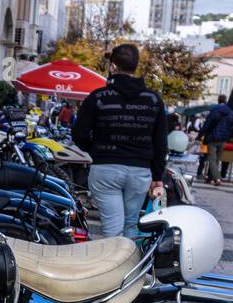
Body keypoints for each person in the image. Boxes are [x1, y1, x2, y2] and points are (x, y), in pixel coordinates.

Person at [70, 42, 168, 239]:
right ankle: (130, 267)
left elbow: (78, 134)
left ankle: (113, 267)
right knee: (131, 225)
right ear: (136, 66)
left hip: (106, 169)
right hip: (140, 172)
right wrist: (157, 176)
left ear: (113, 66)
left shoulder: (98, 97)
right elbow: (160, 144)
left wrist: (97, 151)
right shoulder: (153, 100)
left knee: (112, 228)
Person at [199, 100, 233, 185]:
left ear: (218, 100)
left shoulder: (214, 111)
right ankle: (210, 178)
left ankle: (217, 178)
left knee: (212, 159)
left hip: (212, 138)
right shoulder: (231, 112)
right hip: (224, 139)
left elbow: (206, 125)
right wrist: (230, 135)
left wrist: (200, 135)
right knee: (217, 159)